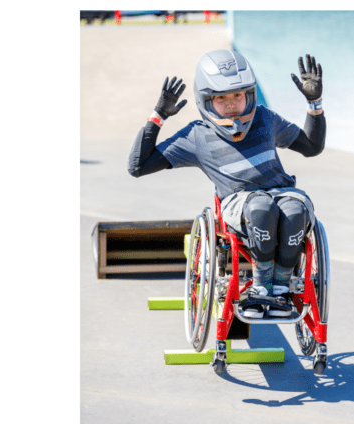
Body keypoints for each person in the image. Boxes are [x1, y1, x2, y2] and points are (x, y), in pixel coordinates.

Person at [127, 49, 325, 319]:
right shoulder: (198, 135)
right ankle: (260, 287)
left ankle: (281, 288)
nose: (231, 104)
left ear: (250, 96)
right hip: (241, 203)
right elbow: (137, 166)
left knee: (294, 211)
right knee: (261, 207)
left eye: (238, 95)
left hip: (283, 193)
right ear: (206, 100)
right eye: (221, 98)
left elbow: (312, 147)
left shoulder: (265, 119)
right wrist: (158, 115)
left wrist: (315, 103)